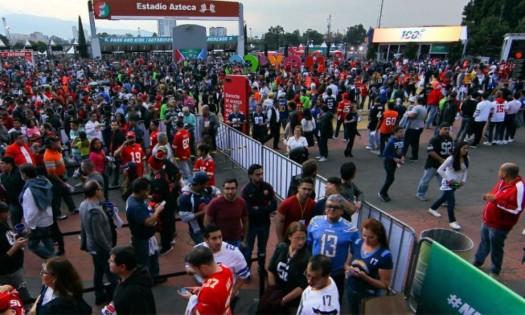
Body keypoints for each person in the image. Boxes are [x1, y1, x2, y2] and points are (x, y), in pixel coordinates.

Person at [473, 162, 524, 279]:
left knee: (496, 247)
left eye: (500, 170)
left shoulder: (519, 188)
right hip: (488, 220)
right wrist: (489, 197)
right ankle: (478, 261)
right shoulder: (503, 181)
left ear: (505, 173)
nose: (498, 172)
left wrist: (495, 200)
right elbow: (496, 196)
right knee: (484, 242)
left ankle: (495, 270)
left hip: (499, 225)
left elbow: (516, 209)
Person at [308, 194, 360, 302]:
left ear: (342, 210)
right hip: (315, 271)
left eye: (335, 207)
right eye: (329, 206)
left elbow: (356, 249)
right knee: (312, 299)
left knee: (334, 301)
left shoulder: (351, 229)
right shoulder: (315, 221)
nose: (331, 209)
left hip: (336, 273)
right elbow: (308, 243)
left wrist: (347, 264)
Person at [186, 225, 250, 302]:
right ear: (206, 240)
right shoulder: (198, 250)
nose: (219, 241)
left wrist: (232, 293)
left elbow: (244, 275)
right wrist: (199, 271)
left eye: (220, 237)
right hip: (206, 291)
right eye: (214, 238)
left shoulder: (234, 253)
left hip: (226, 295)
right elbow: (188, 267)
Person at [79, 180, 117, 305]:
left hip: (92, 247)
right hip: (100, 248)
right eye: (100, 189)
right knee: (111, 273)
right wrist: (109, 249)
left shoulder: (83, 205)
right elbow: (98, 235)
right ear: (96, 192)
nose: (101, 190)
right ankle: (114, 299)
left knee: (98, 270)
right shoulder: (95, 211)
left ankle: (99, 295)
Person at [259, 222, 311, 314]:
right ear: (289, 237)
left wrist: (284, 300)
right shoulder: (281, 248)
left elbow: (302, 286)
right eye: (297, 238)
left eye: (303, 238)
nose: (301, 242)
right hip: (276, 293)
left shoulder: (307, 258)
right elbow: (271, 269)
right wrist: (273, 290)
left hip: (292, 301)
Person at [345, 218, 393, 315]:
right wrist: (350, 269)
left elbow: (384, 284)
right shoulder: (358, 243)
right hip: (351, 289)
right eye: (364, 235)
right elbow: (346, 264)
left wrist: (365, 277)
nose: (366, 240)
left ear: (378, 236)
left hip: (369, 295)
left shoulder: (384, 255)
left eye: (371, 237)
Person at [125, 178, 165, 281]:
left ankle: (154, 276)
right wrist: (158, 211)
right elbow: (148, 222)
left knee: (153, 257)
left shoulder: (136, 198)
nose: (149, 192)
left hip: (147, 237)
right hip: (142, 239)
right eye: (147, 190)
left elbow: (146, 205)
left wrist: (153, 204)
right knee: (144, 262)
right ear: (141, 191)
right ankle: (145, 281)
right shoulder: (135, 206)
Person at [241, 164, 277, 274]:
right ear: (251, 176)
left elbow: (274, 205)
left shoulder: (267, 187)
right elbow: (247, 209)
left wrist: (259, 209)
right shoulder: (246, 190)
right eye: (257, 174)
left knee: (262, 249)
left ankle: (261, 268)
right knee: (248, 249)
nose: (260, 176)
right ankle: (246, 270)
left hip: (265, 224)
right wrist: (266, 209)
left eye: (262, 174)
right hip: (251, 225)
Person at [179, 247, 234, 315]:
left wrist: (191, 298)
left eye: (195, 270)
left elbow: (199, 313)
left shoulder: (209, 291)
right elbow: (220, 292)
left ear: (203, 268)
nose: (196, 272)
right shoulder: (226, 269)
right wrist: (202, 290)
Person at [428, 142, 470, 230]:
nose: (466, 150)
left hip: (456, 183)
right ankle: (452, 221)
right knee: (451, 201)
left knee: (444, 197)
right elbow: (440, 170)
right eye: (464, 148)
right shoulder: (451, 159)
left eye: (467, 148)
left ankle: (432, 208)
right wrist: (448, 179)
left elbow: (465, 170)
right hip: (448, 183)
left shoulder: (467, 158)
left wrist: (463, 180)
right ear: (459, 149)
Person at [19, 163, 57, 259]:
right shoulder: (44, 182)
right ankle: (52, 261)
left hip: (38, 222)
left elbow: (32, 211)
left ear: (24, 174)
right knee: (47, 241)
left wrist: (29, 224)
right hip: (48, 218)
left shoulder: (29, 190)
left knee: (32, 245)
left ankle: (53, 259)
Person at [107, 245, 156, 315]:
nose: (108, 261)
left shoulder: (136, 294)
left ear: (122, 267)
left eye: (111, 261)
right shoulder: (126, 278)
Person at [0, 201, 32, 303]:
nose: (8, 216)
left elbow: (7, 237)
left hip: (16, 266)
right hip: (8, 272)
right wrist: (15, 247)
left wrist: (16, 237)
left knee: (23, 295)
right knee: (21, 298)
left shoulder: (3, 223)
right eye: (3, 216)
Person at [204, 178, 249, 249]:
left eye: (233, 188)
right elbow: (206, 223)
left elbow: (245, 221)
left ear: (236, 188)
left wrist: (244, 239)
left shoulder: (242, 202)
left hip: (237, 240)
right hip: (221, 241)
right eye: (227, 188)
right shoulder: (215, 203)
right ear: (223, 189)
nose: (230, 191)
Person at [415, 122, 454, 201]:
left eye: (448, 129)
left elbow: (452, 151)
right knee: (425, 180)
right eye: (445, 129)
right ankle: (420, 194)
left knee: (444, 183)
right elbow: (430, 151)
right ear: (440, 129)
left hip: (443, 167)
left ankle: (444, 199)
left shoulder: (450, 139)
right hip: (432, 165)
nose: (447, 131)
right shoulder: (435, 139)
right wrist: (441, 160)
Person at [148, 150, 176, 255]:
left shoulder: (157, 179)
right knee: (169, 222)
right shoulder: (162, 172)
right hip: (169, 199)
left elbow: (156, 196)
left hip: (164, 203)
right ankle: (170, 239)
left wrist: (146, 196)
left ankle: (166, 246)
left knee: (164, 225)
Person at [178, 172, 218, 244]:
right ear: (200, 184)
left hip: (211, 225)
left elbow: (215, 190)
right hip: (198, 231)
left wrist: (218, 197)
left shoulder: (204, 190)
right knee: (205, 252)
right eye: (206, 184)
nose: (207, 185)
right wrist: (203, 212)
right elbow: (184, 218)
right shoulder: (185, 198)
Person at [43, 136, 77, 220]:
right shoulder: (48, 156)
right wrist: (62, 182)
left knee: (66, 193)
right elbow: (51, 174)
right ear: (51, 144)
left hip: (61, 175)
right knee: (56, 197)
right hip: (55, 179)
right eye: (56, 142)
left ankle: (72, 208)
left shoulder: (55, 150)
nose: (58, 143)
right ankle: (57, 214)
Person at [275, 178, 316, 243]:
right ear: (298, 188)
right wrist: (280, 240)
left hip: (304, 240)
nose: (306, 192)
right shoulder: (287, 203)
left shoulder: (313, 204)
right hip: (288, 239)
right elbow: (278, 221)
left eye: (309, 190)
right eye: (304, 189)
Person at [378, 126, 405, 202]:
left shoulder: (402, 140)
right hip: (389, 163)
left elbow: (402, 149)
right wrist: (394, 158)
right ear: (395, 133)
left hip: (394, 163)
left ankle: (384, 193)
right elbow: (384, 153)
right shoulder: (391, 141)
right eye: (400, 131)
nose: (402, 133)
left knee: (390, 178)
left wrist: (402, 156)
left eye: (402, 131)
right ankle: (382, 192)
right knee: (391, 178)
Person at [0, 156, 25, 226]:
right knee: (15, 224)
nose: (0, 166)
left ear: (10, 164)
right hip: (13, 203)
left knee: (31, 223)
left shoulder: (20, 173)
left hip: (24, 202)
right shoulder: (2, 176)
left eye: (2, 163)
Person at [402, 96, 427, 161]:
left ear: (418, 101)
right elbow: (425, 118)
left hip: (413, 127)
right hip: (420, 126)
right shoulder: (424, 108)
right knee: (415, 142)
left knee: (406, 141)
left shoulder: (416, 108)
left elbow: (412, 116)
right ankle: (414, 156)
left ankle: (403, 155)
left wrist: (407, 114)